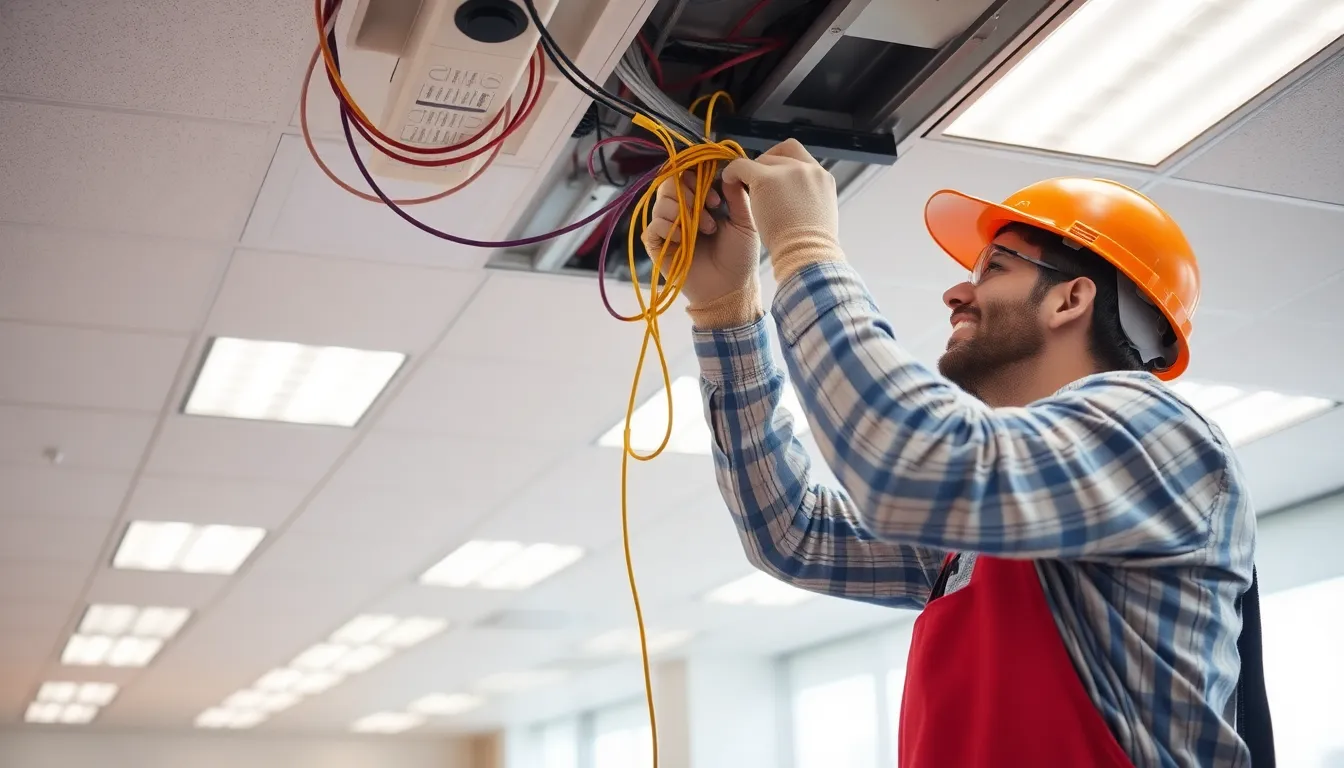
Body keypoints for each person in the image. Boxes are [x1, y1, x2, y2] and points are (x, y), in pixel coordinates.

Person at [641, 139, 1258, 767]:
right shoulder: (1003, 514)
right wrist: (725, 311)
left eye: (993, 268)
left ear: (1070, 299)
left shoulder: (1154, 431)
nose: (956, 294)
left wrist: (804, 249)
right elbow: (793, 533)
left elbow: (906, 461)